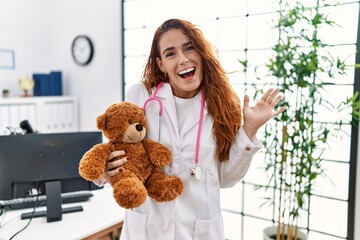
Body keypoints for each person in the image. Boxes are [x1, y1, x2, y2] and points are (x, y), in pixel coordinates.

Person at [96, 18, 286, 240]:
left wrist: (250, 129)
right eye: (170, 53)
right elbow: (116, 154)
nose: (183, 59)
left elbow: (225, 179)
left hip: (199, 232)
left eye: (189, 48)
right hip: (147, 230)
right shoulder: (141, 97)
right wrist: (106, 171)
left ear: (201, 53)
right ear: (160, 64)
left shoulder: (222, 108)